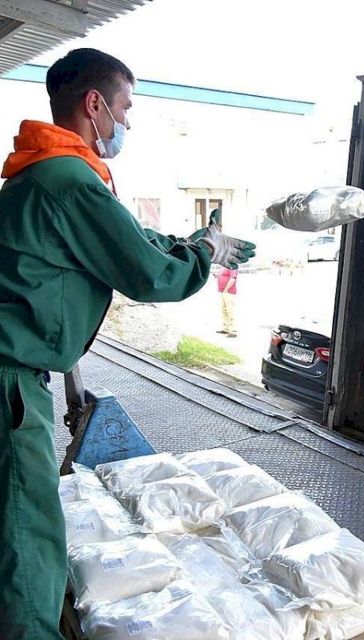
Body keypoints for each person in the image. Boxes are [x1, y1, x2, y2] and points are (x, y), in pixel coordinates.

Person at [0, 48, 255, 638]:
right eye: (126, 107)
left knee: (16, 519)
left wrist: (191, 240)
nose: (128, 121)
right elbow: (149, 274)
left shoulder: (43, 172)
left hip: (12, 369)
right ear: (95, 104)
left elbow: (129, 236)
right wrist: (201, 254)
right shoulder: (69, 180)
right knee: (27, 530)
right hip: (11, 379)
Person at [217, 266, 239, 337]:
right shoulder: (224, 266)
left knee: (230, 311)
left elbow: (233, 279)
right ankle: (226, 328)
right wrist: (217, 276)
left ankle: (233, 331)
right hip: (223, 291)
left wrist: (226, 289)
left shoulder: (233, 266)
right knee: (224, 310)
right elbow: (224, 276)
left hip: (229, 292)